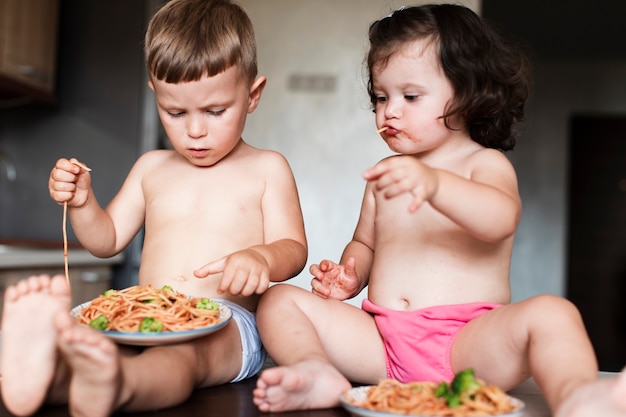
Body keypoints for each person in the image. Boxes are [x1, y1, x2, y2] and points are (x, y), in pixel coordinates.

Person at [252, 4, 626, 416]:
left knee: (553, 313)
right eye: (381, 96)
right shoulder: (387, 173)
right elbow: (365, 243)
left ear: (467, 92)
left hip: (466, 345)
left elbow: (500, 220)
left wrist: (435, 185)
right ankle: (317, 372)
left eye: (410, 96)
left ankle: (577, 396)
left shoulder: (483, 164)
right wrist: (350, 275)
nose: (390, 110)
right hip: (382, 344)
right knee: (277, 301)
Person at [0, 0, 307, 416]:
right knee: (97, 347)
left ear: (252, 95)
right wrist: (82, 201)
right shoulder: (151, 167)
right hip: (143, 313)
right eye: (175, 112)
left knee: (182, 358)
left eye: (215, 111)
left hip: (228, 323)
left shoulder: (267, 168)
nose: (195, 131)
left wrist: (262, 257)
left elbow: (294, 247)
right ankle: (50, 381)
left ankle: (117, 389)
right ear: (156, 94)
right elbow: (106, 240)